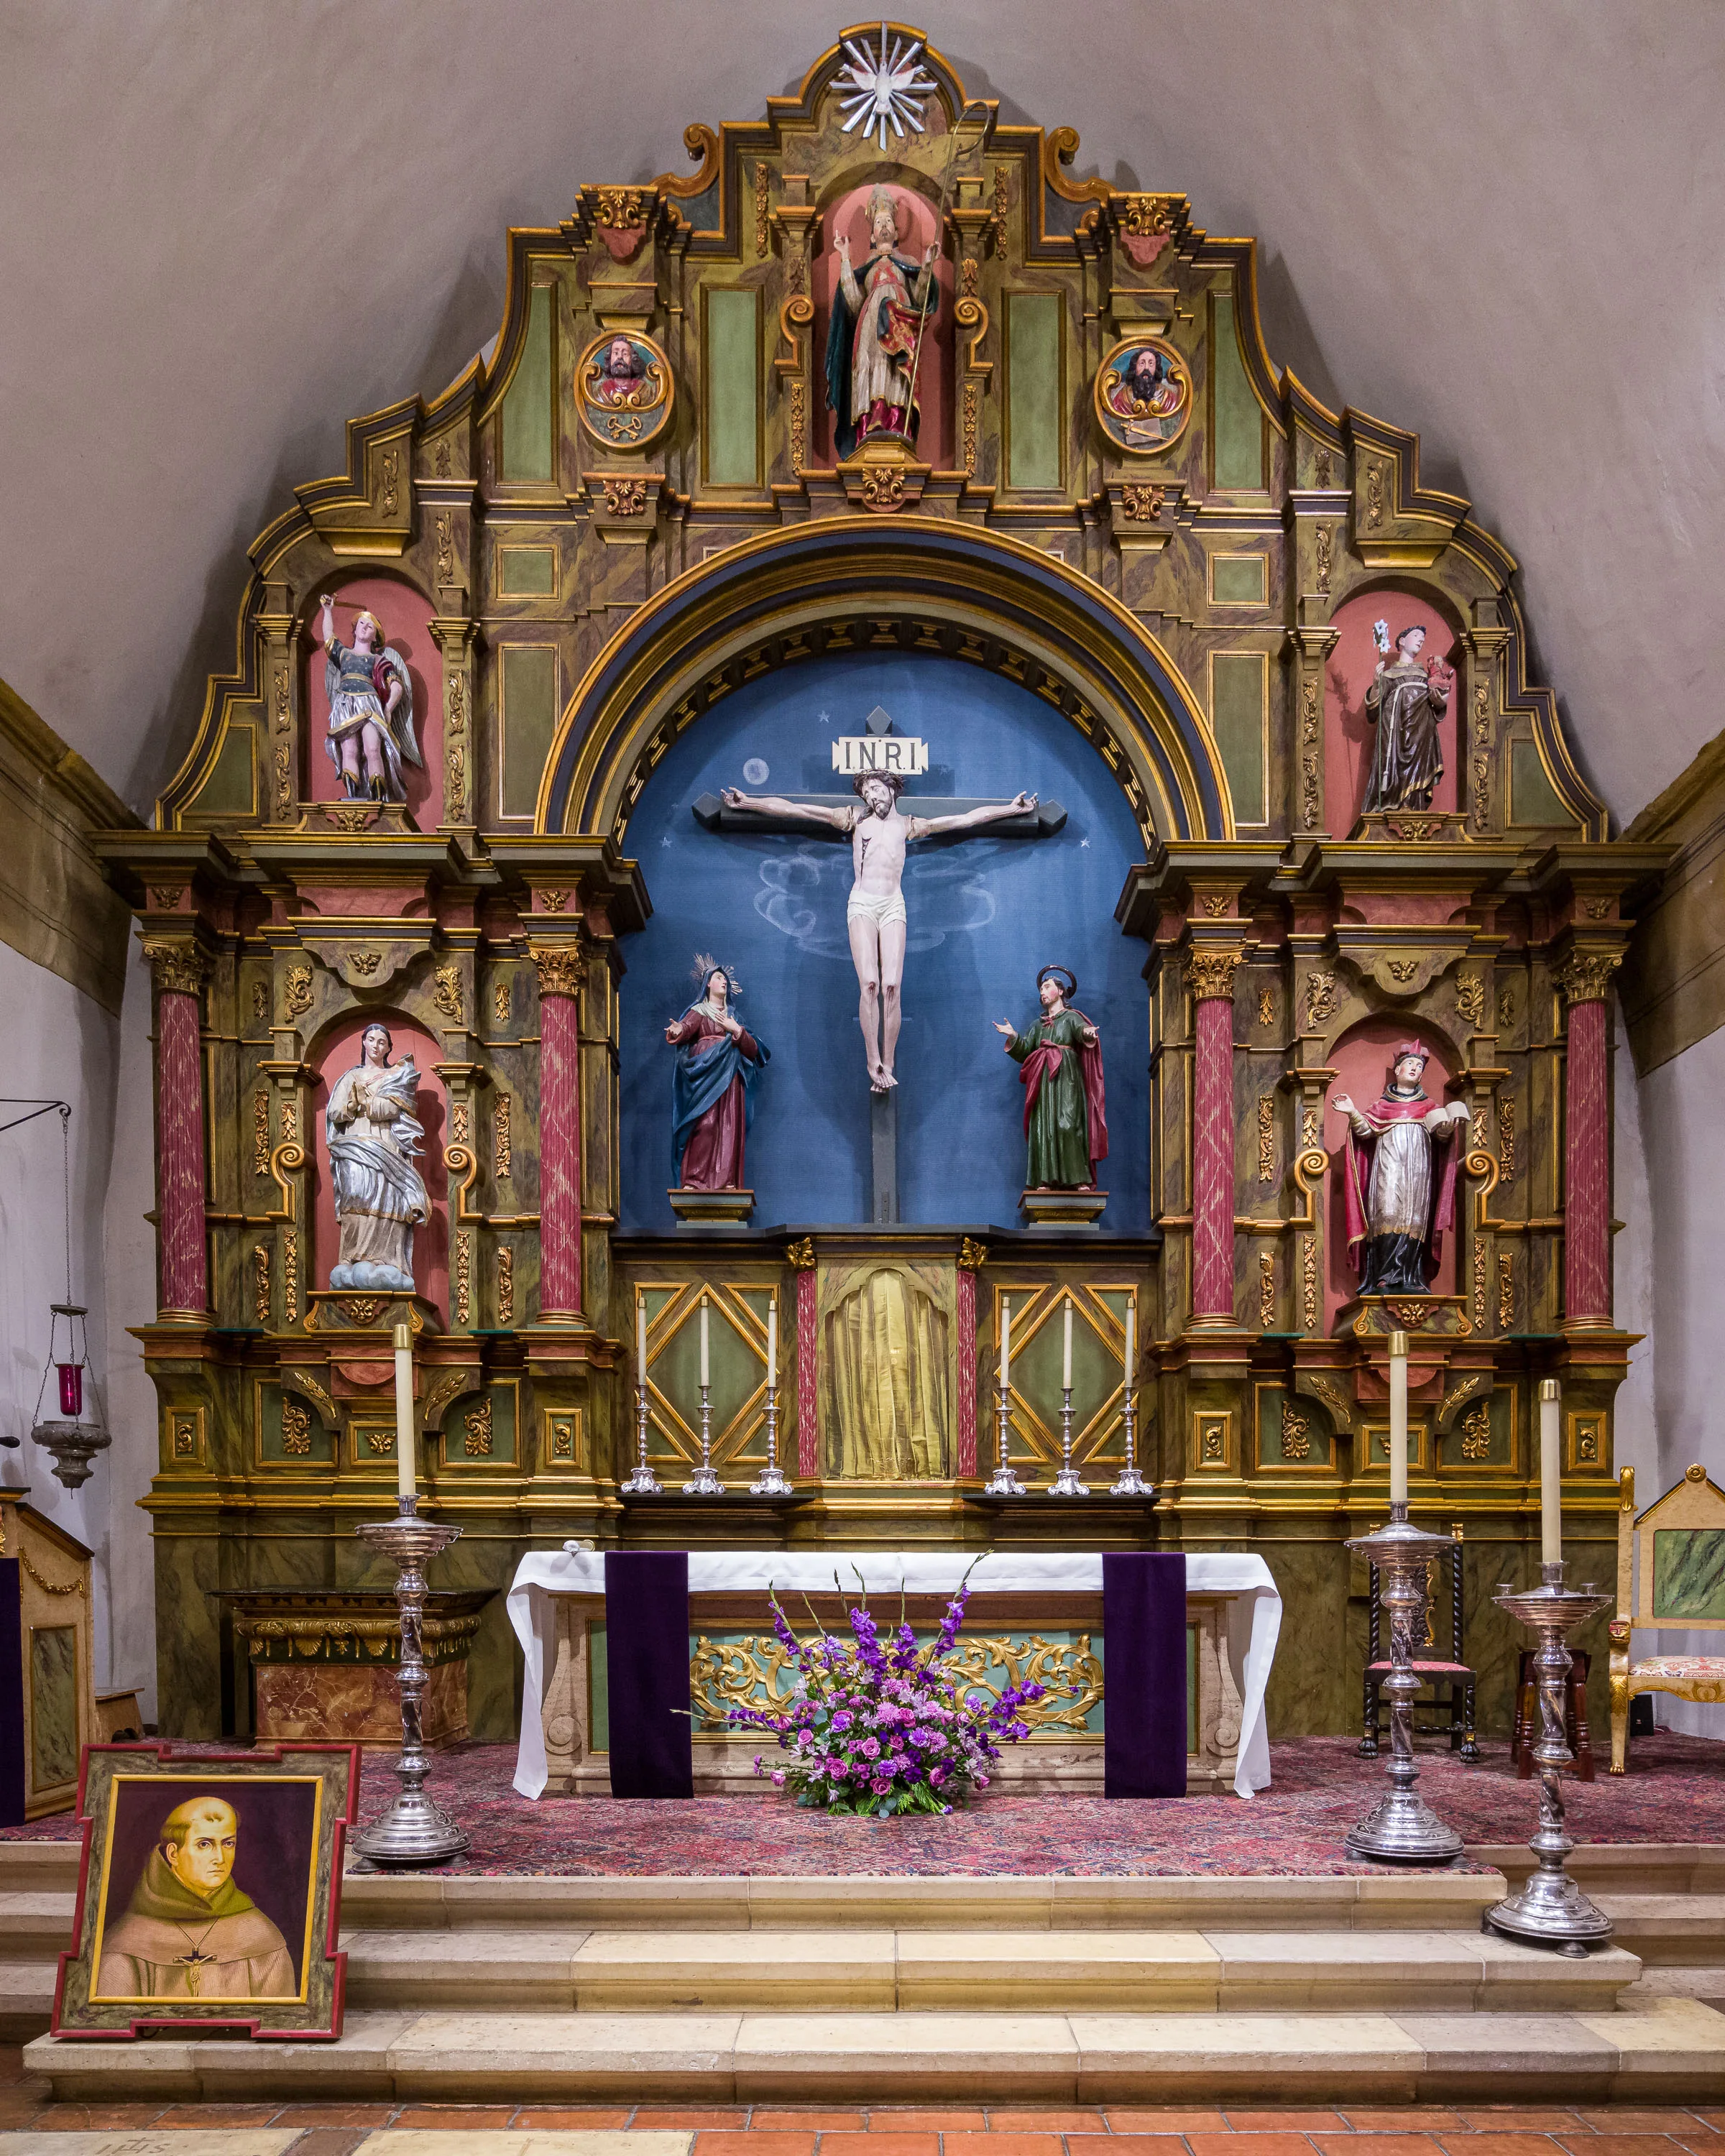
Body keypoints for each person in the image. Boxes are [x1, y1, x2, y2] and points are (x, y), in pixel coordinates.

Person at [722, 770, 1036, 1092]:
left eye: (875, 788)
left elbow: (965, 819)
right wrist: (749, 802)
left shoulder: (909, 824)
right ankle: (873, 1061)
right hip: (862, 904)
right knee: (870, 983)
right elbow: (795, 809)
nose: (871, 796)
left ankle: (890, 1061)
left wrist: (1010, 810)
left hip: (893, 905)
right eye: (866, 792)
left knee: (892, 986)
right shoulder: (853, 818)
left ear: (892, 789)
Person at [95, 1795, 297, 2000]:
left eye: (228, 1843)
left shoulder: (261, 1935)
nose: (220, 1858)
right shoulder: (126, 1942)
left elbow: (279, 2023)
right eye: (204, 1845)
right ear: (174, 1854)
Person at [1331, 1043, 1471, 1295]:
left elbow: (1441, 1138)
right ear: (1397, 1069)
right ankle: (1384, 1276)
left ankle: (1411, 1276)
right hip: (1388, 1168)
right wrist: (1352, 1112)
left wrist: (1448, 1128)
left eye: (1420, 1067)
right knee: (1387, 1213)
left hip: (1418, 1173)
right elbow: (1364, 1131)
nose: (1415, 1069)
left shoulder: (1430, 1107)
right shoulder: (1380, 1107)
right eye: (1411, 1064)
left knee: (1414, 1219)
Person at [824, 185, 940, 456]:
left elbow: (921, 300)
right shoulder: (868, 268)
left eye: (888, 221)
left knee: (895, 370)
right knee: (871, 366)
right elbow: (853, 303)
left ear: (897, 231)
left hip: (898, 325)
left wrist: (926, 265)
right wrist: (844, 258)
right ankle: (870, 426)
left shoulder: (907, 262)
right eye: (879, 222)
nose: (884, 225)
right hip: (869, 329)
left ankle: (897, 424)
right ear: (873, 233)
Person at [326, 1022, 430, 1290]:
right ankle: (351, 1257)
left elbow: (394, 1110)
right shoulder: (350, 1077)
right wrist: (353, 1104)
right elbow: (336, 1112)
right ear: (363, 1043)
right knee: (357, 1195)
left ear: (388, 1047)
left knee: (386, 1198)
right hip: (354, 1148)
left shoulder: (396, 1076)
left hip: (386, 1146)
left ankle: (386, 1260)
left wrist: (365, 1103)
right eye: (371, 1040)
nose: (376, 1045)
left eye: (382, 1042)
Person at [993, 966, 1108, 1189]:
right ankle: (1043, 1180)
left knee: (1068, 1123)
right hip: (1043, 1078)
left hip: (1067, 1077)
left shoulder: (1072, 1017)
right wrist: (1013, 1036)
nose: (1042, 992)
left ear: (1061, 991)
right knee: (1043, 1126)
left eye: (1047, 987)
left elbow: (1082, 1031)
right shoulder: (1038, 1025)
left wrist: (1087, 1033)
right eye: (1040, 989)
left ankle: (1078, 1179)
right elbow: (1027, 1049)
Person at [666, 957, 770, 1189]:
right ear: (708, 984)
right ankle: (694, 1179)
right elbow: (685, 1028)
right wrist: (677, 1029)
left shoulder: (734, 1017)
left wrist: (737, 1031)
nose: (724, 981)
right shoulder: (699, 1011)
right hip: (704, 1075)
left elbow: (753, 1050)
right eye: (718, 978)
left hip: (729, 1076)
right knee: (706, 1123)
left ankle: (725, 1181)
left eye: (725, 978)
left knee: (728, 1127)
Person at [317, 595, 420, 803]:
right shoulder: (344, 654)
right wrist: (328, 611)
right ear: (354, 630)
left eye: (370, 627)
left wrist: (389, 709)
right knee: (350, 748)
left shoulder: (379, 660)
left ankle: (379, 798)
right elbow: (329, 637)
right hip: (346, 704)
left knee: (373, 748)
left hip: (370, 705)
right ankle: (353, 798)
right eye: (362, 624)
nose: (365, 628)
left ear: (376, 637)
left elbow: (397, 686)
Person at [1362, 623, 1451, 812]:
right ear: (1402, 641)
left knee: (1417, 775)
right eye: (1417, 635)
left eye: (1423, 638)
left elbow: (1437, 705)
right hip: (1393, 733)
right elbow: (1372, 714)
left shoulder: (1426, 677)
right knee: (1393, 772)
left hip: (1421, 734)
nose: (1421, 639)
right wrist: (1377, 686)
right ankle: (1390, 806)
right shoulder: (1388, 675)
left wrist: (1441, 701)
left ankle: (1413, 808)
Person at [1103, 346, 1184, 442]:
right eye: (1142, 363)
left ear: (1156, 368)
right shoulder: (1122, 399)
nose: (1146, 368)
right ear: (1135, 368)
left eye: (1151, 364)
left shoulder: (1168, 399)